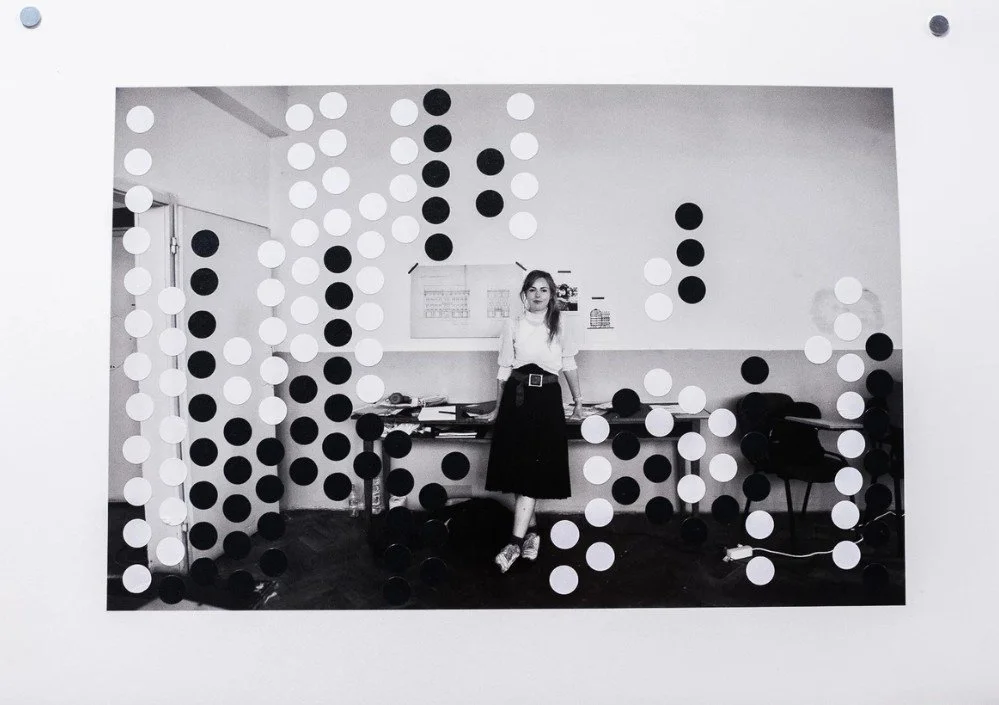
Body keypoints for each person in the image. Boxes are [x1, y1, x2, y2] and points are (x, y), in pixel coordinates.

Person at [484, 270, 584, 573]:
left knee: (532, 470)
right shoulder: (511, 325)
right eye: (531, 290)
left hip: (548, 400)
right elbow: (504, 370)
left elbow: (568, 364)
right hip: (517, 398)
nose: (537, 295)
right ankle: (531, 535)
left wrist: (578, 402)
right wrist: (498, 410)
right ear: (523, 295)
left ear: (552, 294)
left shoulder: (562, 324)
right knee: (520, 470)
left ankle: (514, 543)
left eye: (543, 290)